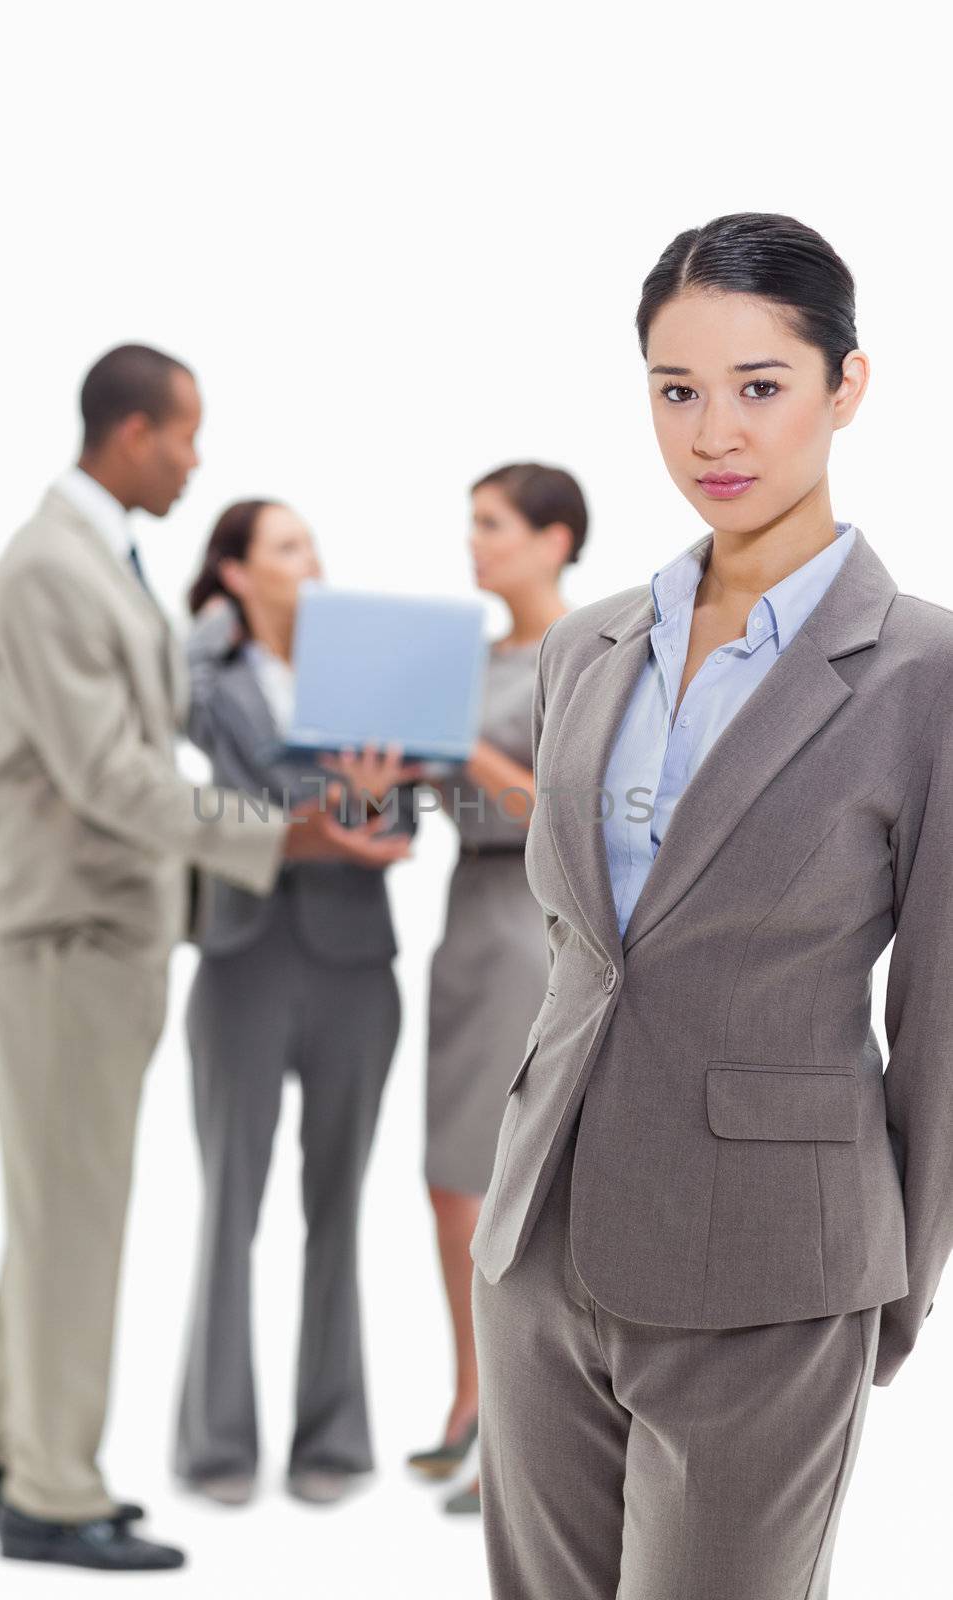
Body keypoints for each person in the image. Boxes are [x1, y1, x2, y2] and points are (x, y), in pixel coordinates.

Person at [470, 212, 953, 1599]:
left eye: (757, 386)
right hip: (538, 1240)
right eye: (674, 391)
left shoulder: (920, 671)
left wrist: (889, 1288)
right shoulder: (586, 644)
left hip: (768, 1264)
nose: (711, 433)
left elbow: (936, 1022)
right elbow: (585, 950)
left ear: (842, 387)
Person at [0, 348, 409, 1573]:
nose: (196, 458)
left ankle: (5, 1456)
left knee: (57, 1198)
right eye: (184, 436)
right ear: (130, 431)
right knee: (81, 1210)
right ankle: (55, 1494)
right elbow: (112, 775)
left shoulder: (105, 561)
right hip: (75, 926)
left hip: (107, 924)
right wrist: (289, 833)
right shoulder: (55, 566)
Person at [173, 500, 420, 1508]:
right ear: (234, 572)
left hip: (353, 959)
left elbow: (393, 819)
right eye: (283, 546)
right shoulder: (209, 675)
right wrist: (204, 627)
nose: (307, 560)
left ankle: (332, 1440)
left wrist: (358, 806)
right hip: (240, 952)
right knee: (228, 1204)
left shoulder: (359, 669)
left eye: (309, 543)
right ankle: (215, 1446)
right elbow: (149, 718)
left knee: (337, 1207)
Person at [406, 464, 586, 1514]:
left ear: (553, 538)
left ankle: (524, 1432)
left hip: (536, 922)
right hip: (463, 923)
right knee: (449, 1179)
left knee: (519, 1187)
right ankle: (470, 1398)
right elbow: (443, 794)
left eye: (494, 526)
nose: (474, 545)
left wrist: (455, 745)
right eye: (469, 525)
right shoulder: (464, 661)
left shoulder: (587, 653)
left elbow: (554, 809)